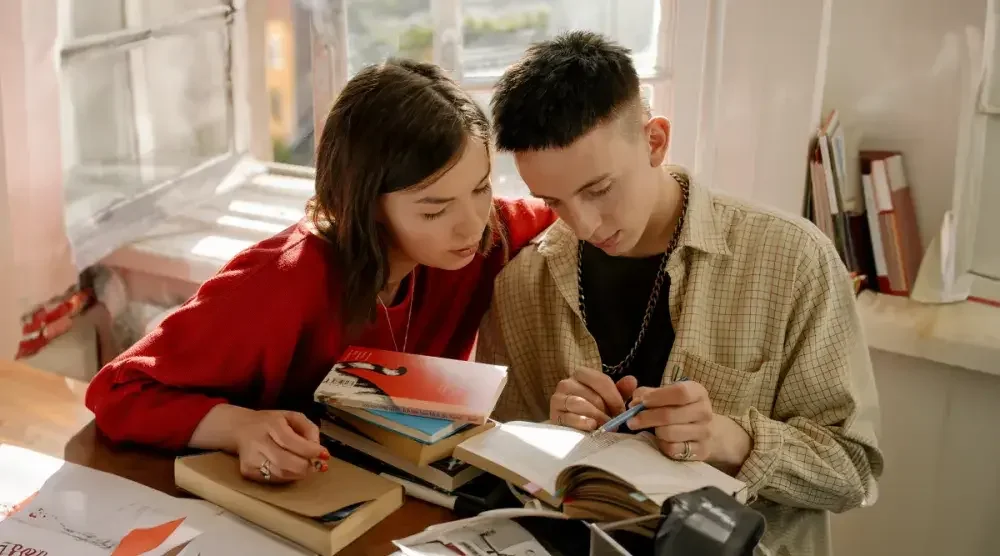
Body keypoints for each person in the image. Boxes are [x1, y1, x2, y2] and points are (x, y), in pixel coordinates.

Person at [475, 31, 883, 556]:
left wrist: (729, 440)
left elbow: (853, 471)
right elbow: (507, 471)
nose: (582, 223)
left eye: (598, 189)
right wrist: (553, 437)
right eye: (553, 200)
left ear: (655, 141)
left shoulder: (794, 261)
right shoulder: (523, 284)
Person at [84, 59, 556, 484]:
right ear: (365, 204)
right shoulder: (280, 281)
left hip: (401, 491)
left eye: (480, 188)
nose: (472, 224)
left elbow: (570, 212)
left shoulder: (487, 231)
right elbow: (118, 391)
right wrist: (238, 427)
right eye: (434, 210)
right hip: (281, 497)